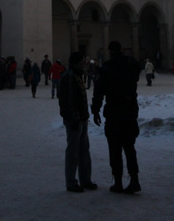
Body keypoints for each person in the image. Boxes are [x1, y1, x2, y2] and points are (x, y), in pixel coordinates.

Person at [91, 41, 143, 194]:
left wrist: (95, 110)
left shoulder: (107, 68)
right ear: (121, 49)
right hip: (129, 110)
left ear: (110, 51)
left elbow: (99, 91)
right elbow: (136, 73)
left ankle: (118, 182)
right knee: (130, 148)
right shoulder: (131, 64)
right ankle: (134, 180)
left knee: (115, 149)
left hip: (114, 111)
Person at [58, 51, 96, 193]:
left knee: (84, 151)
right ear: (75, 63)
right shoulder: (69, 77)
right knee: (73, 152)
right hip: (74, 120)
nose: (84, 64)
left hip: (81, 118)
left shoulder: (77, 75)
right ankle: (71, 182)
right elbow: (67, 101)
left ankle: (85, 180)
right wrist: (74, 118)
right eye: (82, 62)